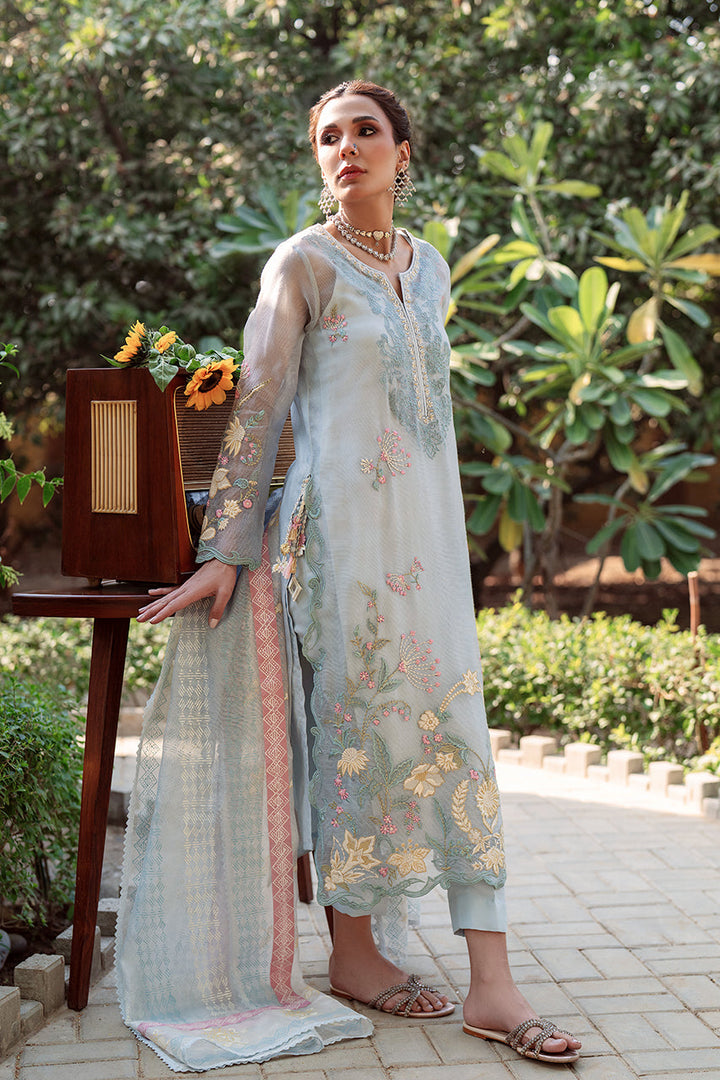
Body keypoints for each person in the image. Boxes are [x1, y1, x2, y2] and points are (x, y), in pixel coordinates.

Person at [119, 80, 581, 1070]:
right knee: (356, 736)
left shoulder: (432, 267)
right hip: (334, 546)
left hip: (428, 543)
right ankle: (359, 957)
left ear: (402, 153)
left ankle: (490, 982)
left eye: (366, 131)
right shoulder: (302, 264)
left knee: (455, 733)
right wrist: (223, 552)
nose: (346, 148)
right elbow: (258, 407)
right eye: (329, 136)